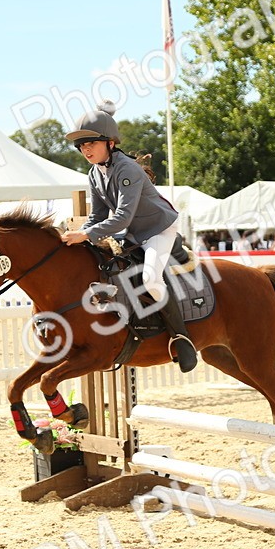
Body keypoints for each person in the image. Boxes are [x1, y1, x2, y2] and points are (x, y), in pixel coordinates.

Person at [60, 101, 197, 372]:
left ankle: (182, 339)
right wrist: (77, 236)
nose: (85, 149)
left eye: (91, 143)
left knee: (150, 279)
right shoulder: (94, 174)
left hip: (158, 229)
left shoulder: (128, 169)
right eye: (81, 145)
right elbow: (98, 216)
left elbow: (121, 216)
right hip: (134, 234)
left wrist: (85, 234)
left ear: (110, 143)